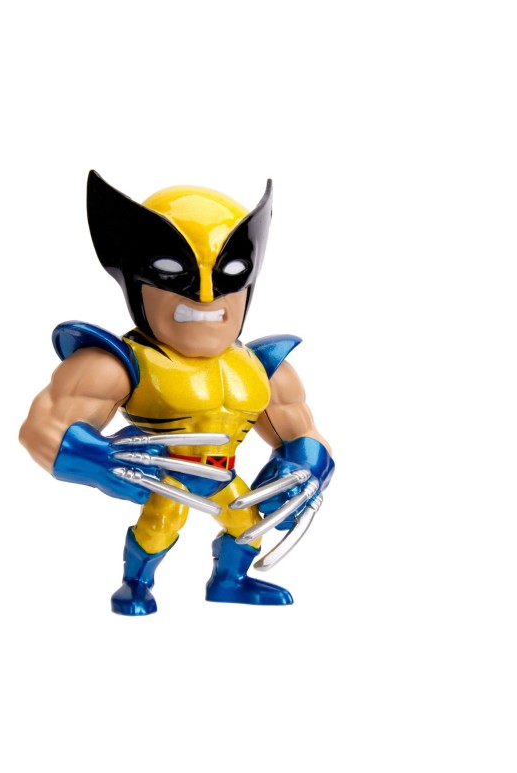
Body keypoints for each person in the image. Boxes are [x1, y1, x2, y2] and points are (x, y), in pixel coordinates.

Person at [20, 171, 334, 616]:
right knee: (160, 526)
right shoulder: (119, 364)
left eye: (229, 273)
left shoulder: (264, 369)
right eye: (172, 271)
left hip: (224, 474)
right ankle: (136, 584)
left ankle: (230, 581)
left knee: (248, 525)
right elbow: (42, 429)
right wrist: (101, 458)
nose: (205, 294)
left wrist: (309, 466)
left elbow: (305, 433)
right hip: (166, 475)